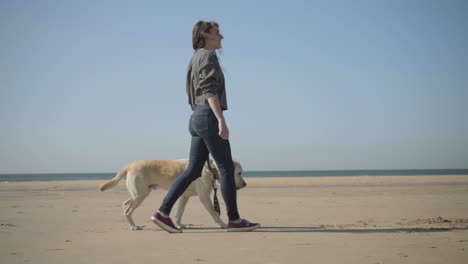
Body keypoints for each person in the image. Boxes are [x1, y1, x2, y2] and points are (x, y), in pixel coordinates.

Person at [150, 20, 260, 233]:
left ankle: (162, 213)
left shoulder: (195, 58)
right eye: (217, 32)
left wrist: (203, 116)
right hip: (207, 115)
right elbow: (208, 89)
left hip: (197, 116)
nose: (222, 37)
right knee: (226, 168)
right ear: (205, 34)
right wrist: (220, 119)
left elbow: (193, 91)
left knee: (192, 170)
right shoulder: (207, 56)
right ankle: (234, 220)